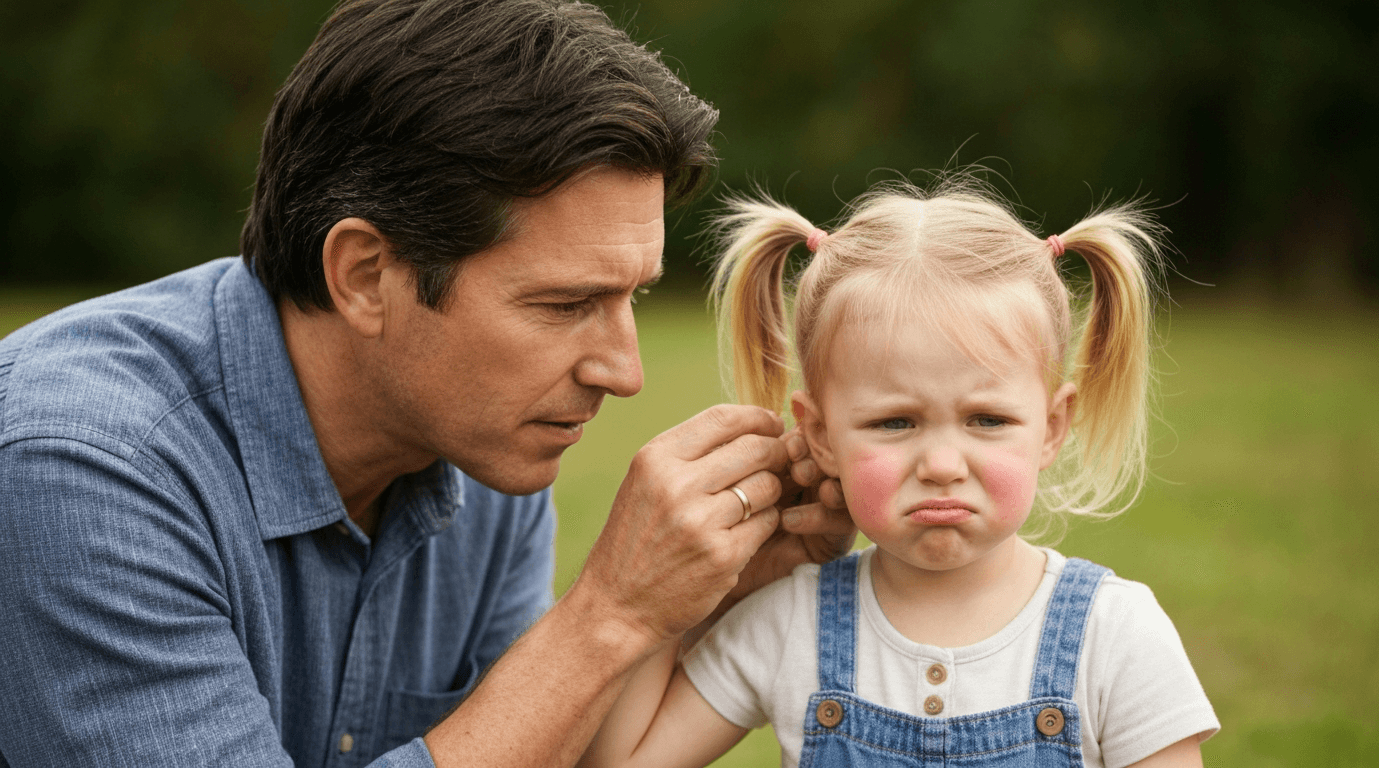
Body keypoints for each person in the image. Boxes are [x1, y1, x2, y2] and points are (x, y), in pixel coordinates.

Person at [0, 1, 853, 766]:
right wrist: (607, 618)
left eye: (631, 297)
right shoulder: (79, 472)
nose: (622, 372)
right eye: (565, 304)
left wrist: (696, 612)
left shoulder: (486, 450)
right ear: (366, 275)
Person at [578, 175, 1222, 768]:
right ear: (820, 435)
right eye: (895, 423)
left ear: (1052, 427)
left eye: (987, 420)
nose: (942, 465)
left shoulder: (1115, 635)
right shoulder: (788, 625)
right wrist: (665, 599)